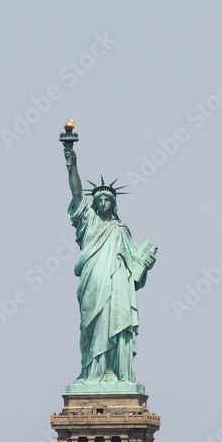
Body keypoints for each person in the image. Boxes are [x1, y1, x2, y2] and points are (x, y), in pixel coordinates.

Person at [64, 145, 156, 384]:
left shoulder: (121, 230)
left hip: (117, 287)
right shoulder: (88, 223)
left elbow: (134, 266)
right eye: (99, 199)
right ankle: (91, 372)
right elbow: (76, 194)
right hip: (93, 283)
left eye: (108, 199)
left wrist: (146, 262)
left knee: (115, 323)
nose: (103, 202)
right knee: (92, 326)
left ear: (114, 204)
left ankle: (113, 371)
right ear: (94, 203)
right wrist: (71, 162)